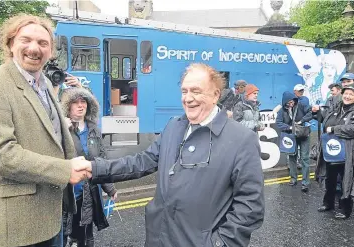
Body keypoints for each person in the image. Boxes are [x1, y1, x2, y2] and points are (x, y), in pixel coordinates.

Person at [90, 63, 264, 247]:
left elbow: (251, 206)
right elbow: (143, 161)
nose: (188, 98)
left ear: (215, 95)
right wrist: (95, 168)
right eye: (184, 91)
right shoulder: (174, 126)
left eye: (196, 91)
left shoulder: (242, 139)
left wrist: (219, 243)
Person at [0, 14, 92, 247]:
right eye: (26, 40)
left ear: (51, 50)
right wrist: (64, 169)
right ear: (10, 43)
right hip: (15, 225)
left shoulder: (44, 83)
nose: (34, 48)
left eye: (43, 43)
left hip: (50, 217)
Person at [60, 87, 118, 247]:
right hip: (68, 194)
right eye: (75, 102)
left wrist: (110, 188)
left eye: (83, 101)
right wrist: (61, 128)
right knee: (65, 233)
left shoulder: (94, 130)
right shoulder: (61, 130)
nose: (80, 105)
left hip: (89, 193)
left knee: (86, 235)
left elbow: (102, 162)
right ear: (67, 107)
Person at [315, 85, 354, 219]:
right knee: (329, 179)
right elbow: (324, 120)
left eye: (351, 94)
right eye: (346, 93)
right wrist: (317, 111)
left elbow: (352, 129)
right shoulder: (336, 107)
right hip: (331, 152)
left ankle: (345, 209)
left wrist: (334, 129)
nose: (348, 96)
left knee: (346, 181)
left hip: (347, 153)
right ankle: (328, 203)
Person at [276, 91, 313, 192]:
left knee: (304, 158)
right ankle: (293, 179)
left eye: (292, 102)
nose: (291, 104)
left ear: (295, 100)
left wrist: (301, 121)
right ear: (285, 103)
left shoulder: (301, 105)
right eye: (288, 103)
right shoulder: (282, 111)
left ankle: (305, 182)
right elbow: (278, 123)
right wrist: (289, 127)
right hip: (291, 136)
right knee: (292, 157)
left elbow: (311, 114)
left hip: (303, 134)